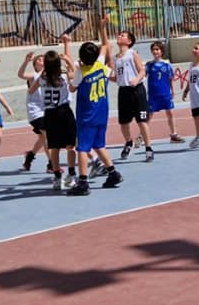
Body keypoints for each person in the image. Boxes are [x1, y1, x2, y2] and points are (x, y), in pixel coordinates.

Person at [68, 18, 123, 196]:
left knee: (82, 148)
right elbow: (106, 47)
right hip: (102, 113)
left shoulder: (81, 72)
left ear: (82, 58)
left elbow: (71, 88)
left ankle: (83, 182)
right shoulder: (101, 66)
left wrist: (73, 72)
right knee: (99, 144)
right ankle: (113, 173)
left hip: (87, 115)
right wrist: (102, 27)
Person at [29, 48, 79, 191]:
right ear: (58, 63)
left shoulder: (42, 77)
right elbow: (75, 76)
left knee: (54, 148)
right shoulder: (63, 75)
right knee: (71, 146)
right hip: (64, 112)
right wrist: (68, 60)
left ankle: (57, 177)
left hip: (50, 113)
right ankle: (71, 174)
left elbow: (31, 91)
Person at [114, 30, 156, 162]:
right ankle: (128, 142)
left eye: (123, 35)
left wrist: (136, 79)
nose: (120, 36)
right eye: (119, 34)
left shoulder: (132, 54)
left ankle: (148, 148)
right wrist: (105, 75)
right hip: (123, 92)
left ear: (129, 41)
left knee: (141, 121)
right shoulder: (116, 58)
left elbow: (142, 71)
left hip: (137, 90)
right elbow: (116, 77)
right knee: (123, 122)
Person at [145, 41, 185, 144]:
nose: (155, 51)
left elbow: (171, 78)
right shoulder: (149, 65)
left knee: (170, 113)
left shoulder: (166, 65)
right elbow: (142, 75)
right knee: (149, 115)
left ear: (161, 51)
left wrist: (172, 91)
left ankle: (174, 134)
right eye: (153, 49)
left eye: (157, 49)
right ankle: (142, 136)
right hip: (153, 95)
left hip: (165, 93)